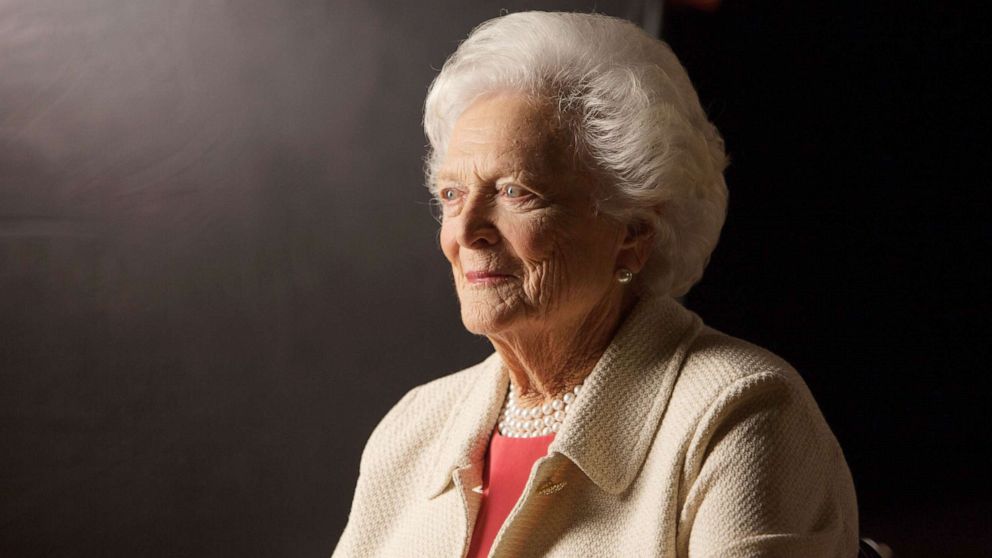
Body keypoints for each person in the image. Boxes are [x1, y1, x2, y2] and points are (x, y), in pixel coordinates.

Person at [333, 11, 858, 558]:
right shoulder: (414, 428)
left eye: (515, 192)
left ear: (632, 233)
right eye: (451, 195)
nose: (465, 231)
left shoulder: (741, 412)